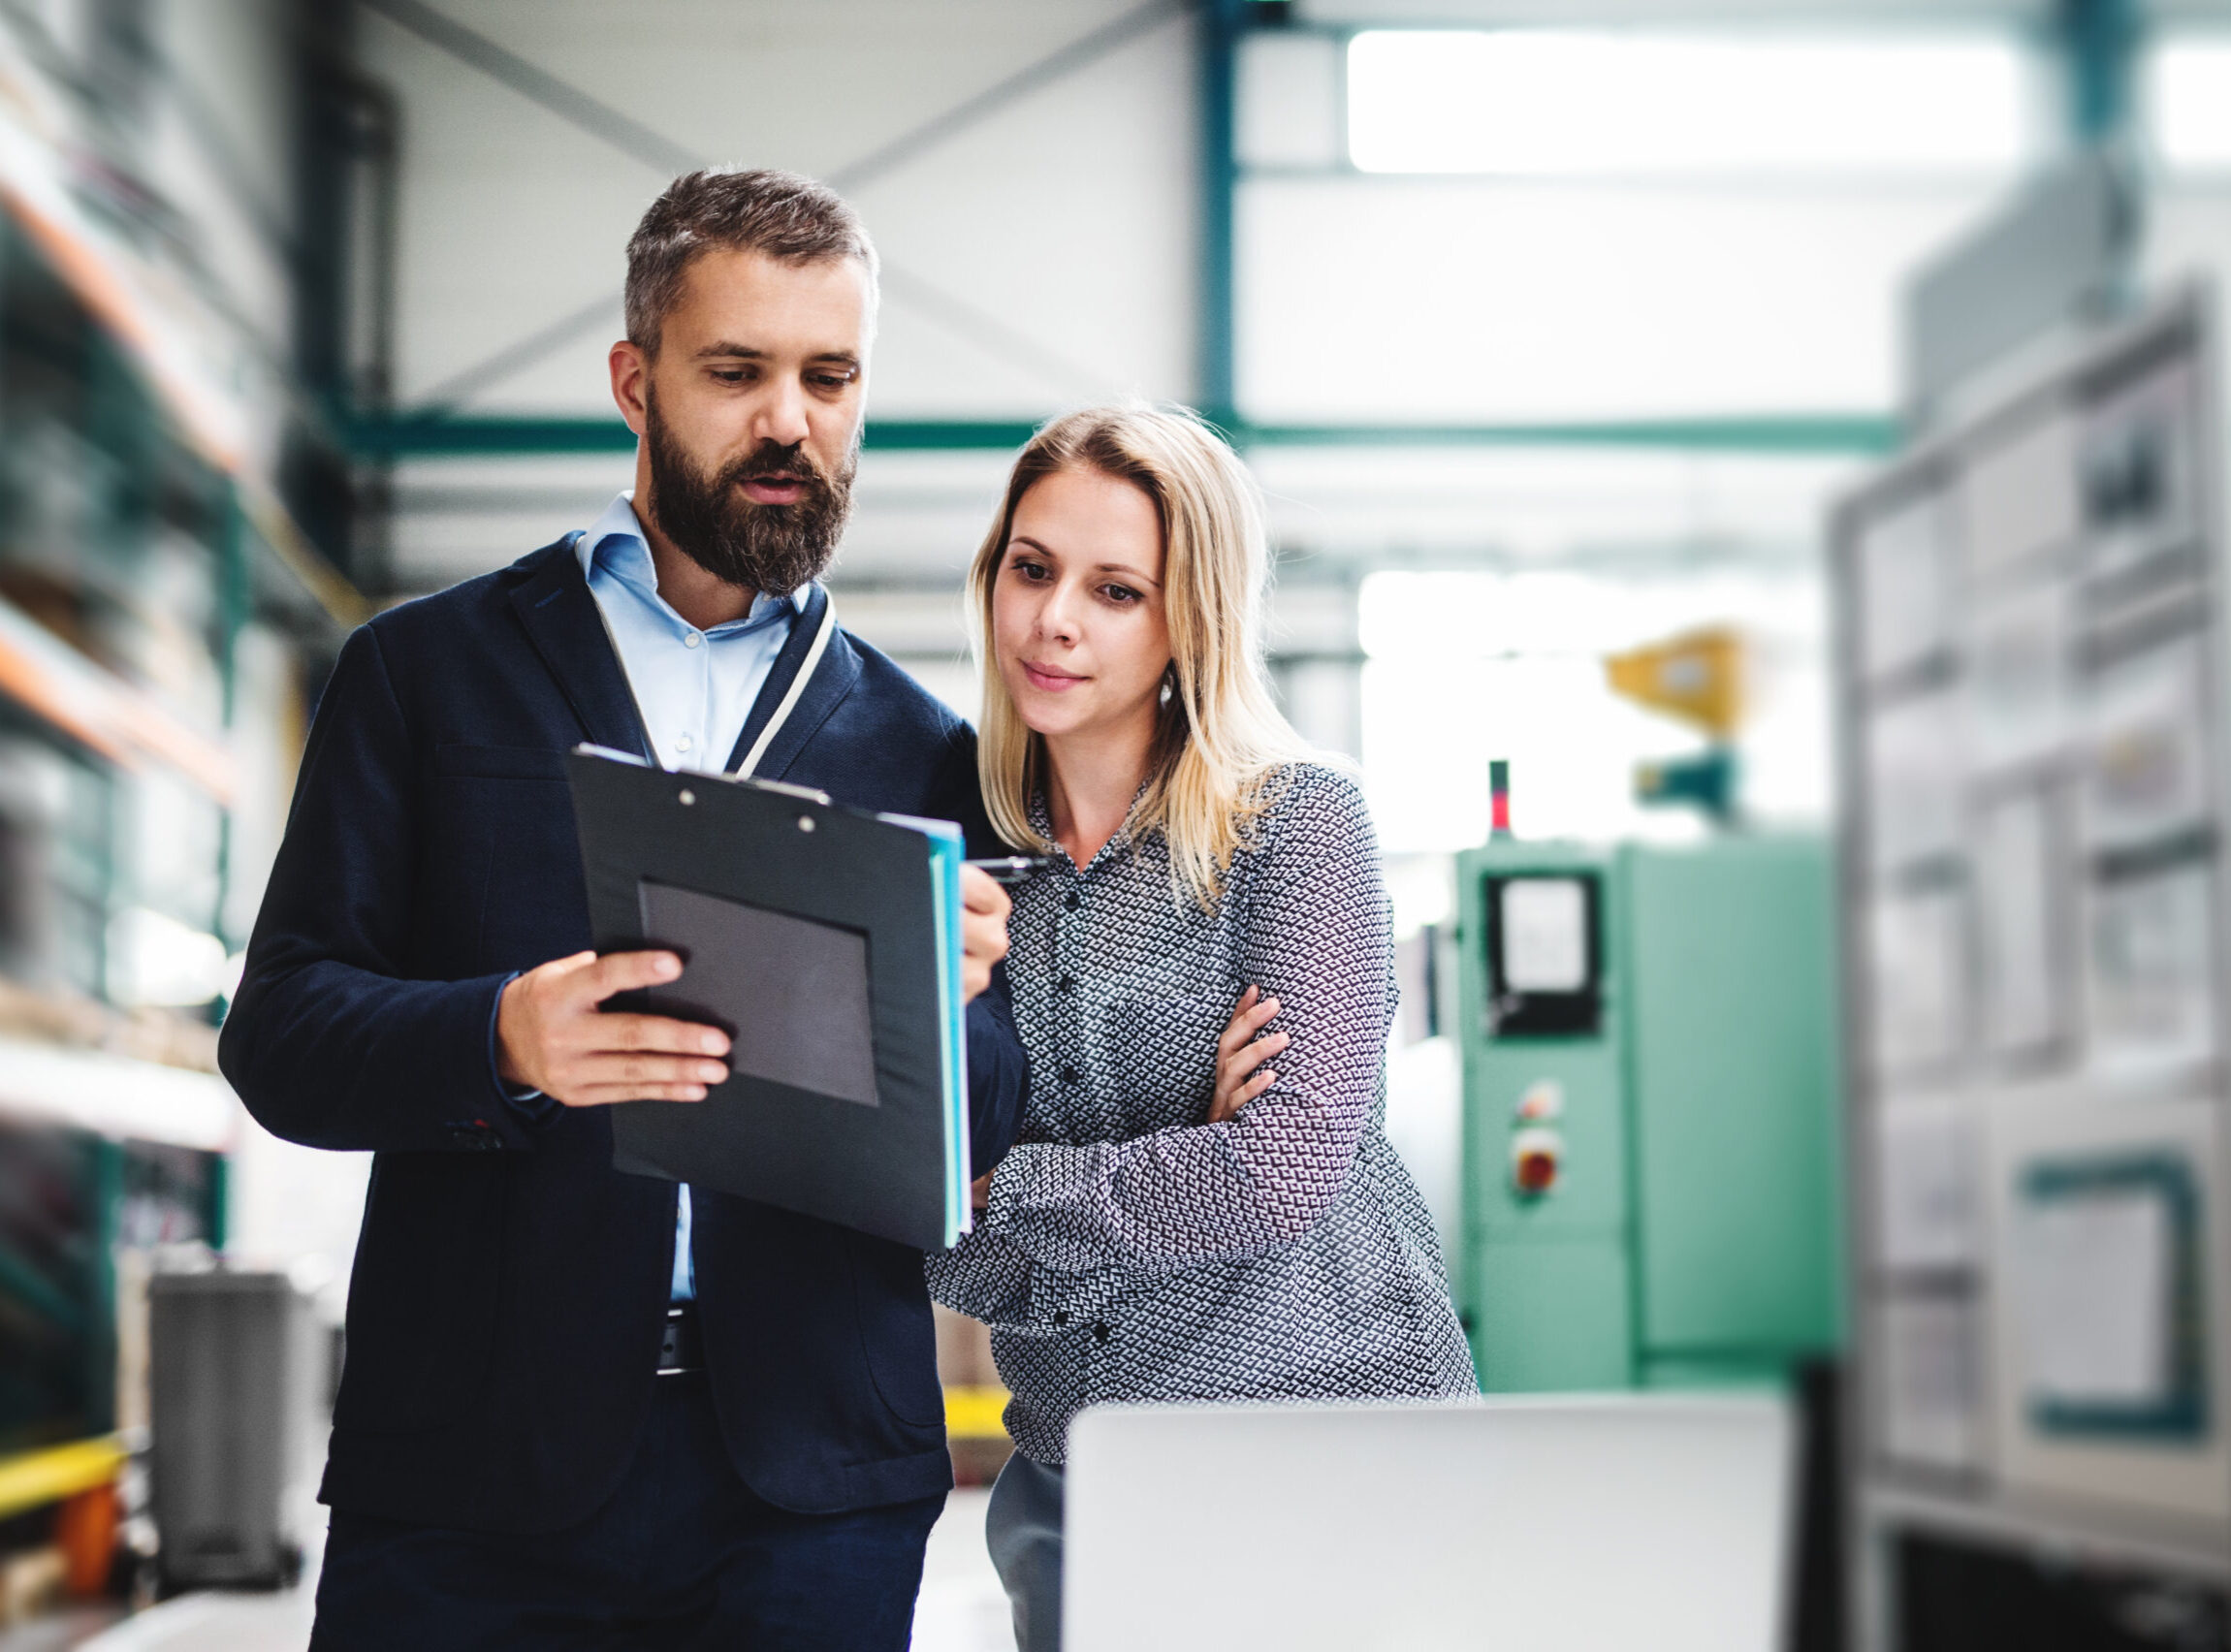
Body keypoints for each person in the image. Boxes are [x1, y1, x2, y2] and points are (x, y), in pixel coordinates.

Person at [219, 169, 1030, 1651]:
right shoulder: (425, 676)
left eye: (829, 378)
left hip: (807, 1496)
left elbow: (975, 1133)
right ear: (634, 379)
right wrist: (501, 1039)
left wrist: (954, 1003)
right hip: (471, 1475)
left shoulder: (927, 750)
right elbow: (280, 1033)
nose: (790, 420)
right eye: (737, 373)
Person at [924, 404, 1479, 1652]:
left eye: (1116, 590)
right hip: (1077, 1473)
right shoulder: (958, 874)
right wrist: (1184, 1157)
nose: (1053, 619)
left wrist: (1002, 1188)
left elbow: (1280, 1173)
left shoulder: (1295, 830)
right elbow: (922, 1229)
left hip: (1322, 1443)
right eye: (1032, 568)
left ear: (1192, 620)